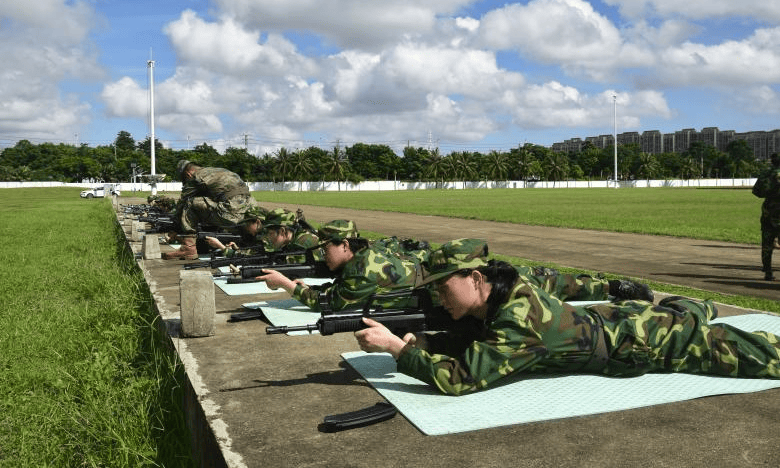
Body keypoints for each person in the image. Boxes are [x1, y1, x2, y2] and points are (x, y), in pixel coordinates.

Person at [354, 238, 780, 396]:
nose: (437, 296)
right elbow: (476, 340)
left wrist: (398, 350)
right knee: (680, 311)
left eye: (443, 286)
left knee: (754, 354)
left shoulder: (520, 321)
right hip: (615, 319)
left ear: (476, 278)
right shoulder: (506, 290)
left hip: (639, 342)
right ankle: (693, 307)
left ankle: (695, 312)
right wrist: (426, 342)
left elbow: (459, 379)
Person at [258, 220, 426, 311]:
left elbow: (327, 302)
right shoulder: (362, 257)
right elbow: (339, 288)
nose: (323, 254)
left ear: (345, 245)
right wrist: (309, 288)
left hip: (429, 298)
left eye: (326, 248)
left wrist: (285, 284)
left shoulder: (363, 269)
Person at [162, 160, 265, 260]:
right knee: (209, 206)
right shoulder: (218, 171)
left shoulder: (196, 177)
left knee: (190, 203)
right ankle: (245, 245)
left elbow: (182, 202)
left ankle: (188, 248)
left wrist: (174, 228)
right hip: (249, 211)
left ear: (188, 174)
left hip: (232, 213)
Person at [752, 153, 780, 280]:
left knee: (767, 244)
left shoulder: (765, 174)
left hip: (768, 211)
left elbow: (756, 191)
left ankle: (768, 272)